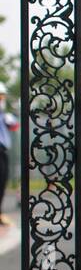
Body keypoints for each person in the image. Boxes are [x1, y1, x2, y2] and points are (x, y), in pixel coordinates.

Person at [0, 86, 16, 228]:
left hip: (2, 150)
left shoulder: (4, 115)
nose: (2, 99)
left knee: (2, 181)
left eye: (2, 96)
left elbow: (14, 126)